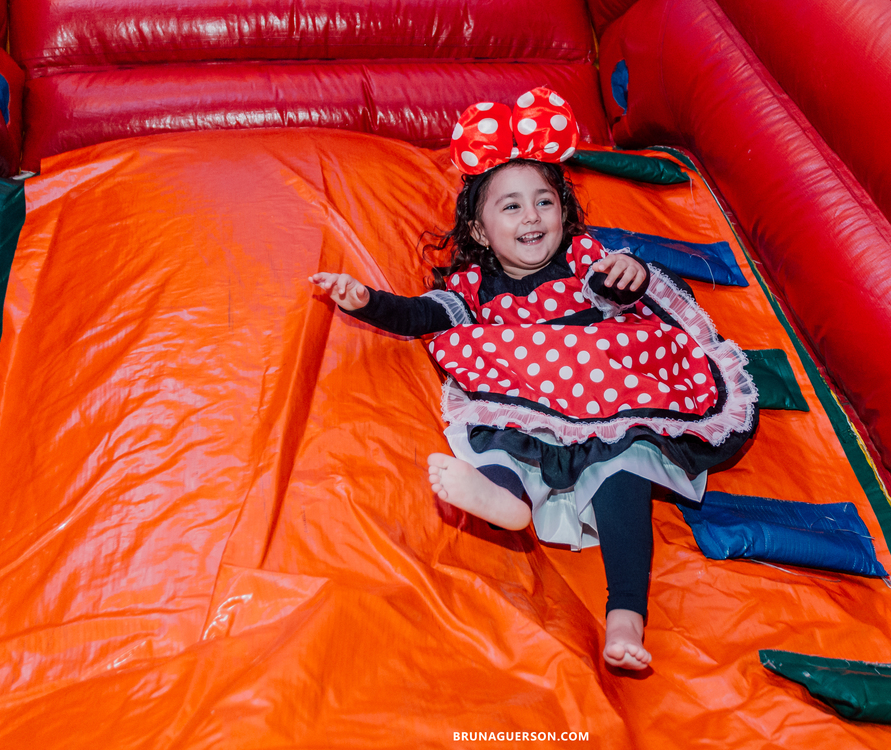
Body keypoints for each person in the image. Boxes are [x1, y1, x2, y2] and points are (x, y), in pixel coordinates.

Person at [310, 88, 758, 670]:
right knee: (500, 441)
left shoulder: (582, 262)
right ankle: (505, 498)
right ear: (479, 231)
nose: (532, 217)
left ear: (563, 214)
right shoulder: (472, 291)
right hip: (526, 404)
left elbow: (614, 286)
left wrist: (627, 272)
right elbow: (417, 316)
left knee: (625, 471)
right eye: (512, 206)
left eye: (544, 202)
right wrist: (364, 300)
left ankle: (625, 617)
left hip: (608, 406)